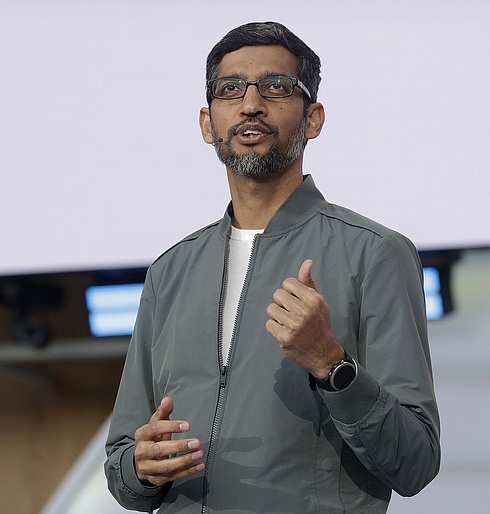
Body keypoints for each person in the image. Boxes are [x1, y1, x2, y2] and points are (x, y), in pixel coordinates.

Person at [105, 21, 440, 513]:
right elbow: (121, 467)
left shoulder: (375, 253)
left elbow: (416, 461)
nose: (250, 104)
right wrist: (141, 467)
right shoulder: (170, 271)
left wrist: (332, 365)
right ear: (207, 123)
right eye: (230, 89)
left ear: (313, 119)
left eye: (277, 87)